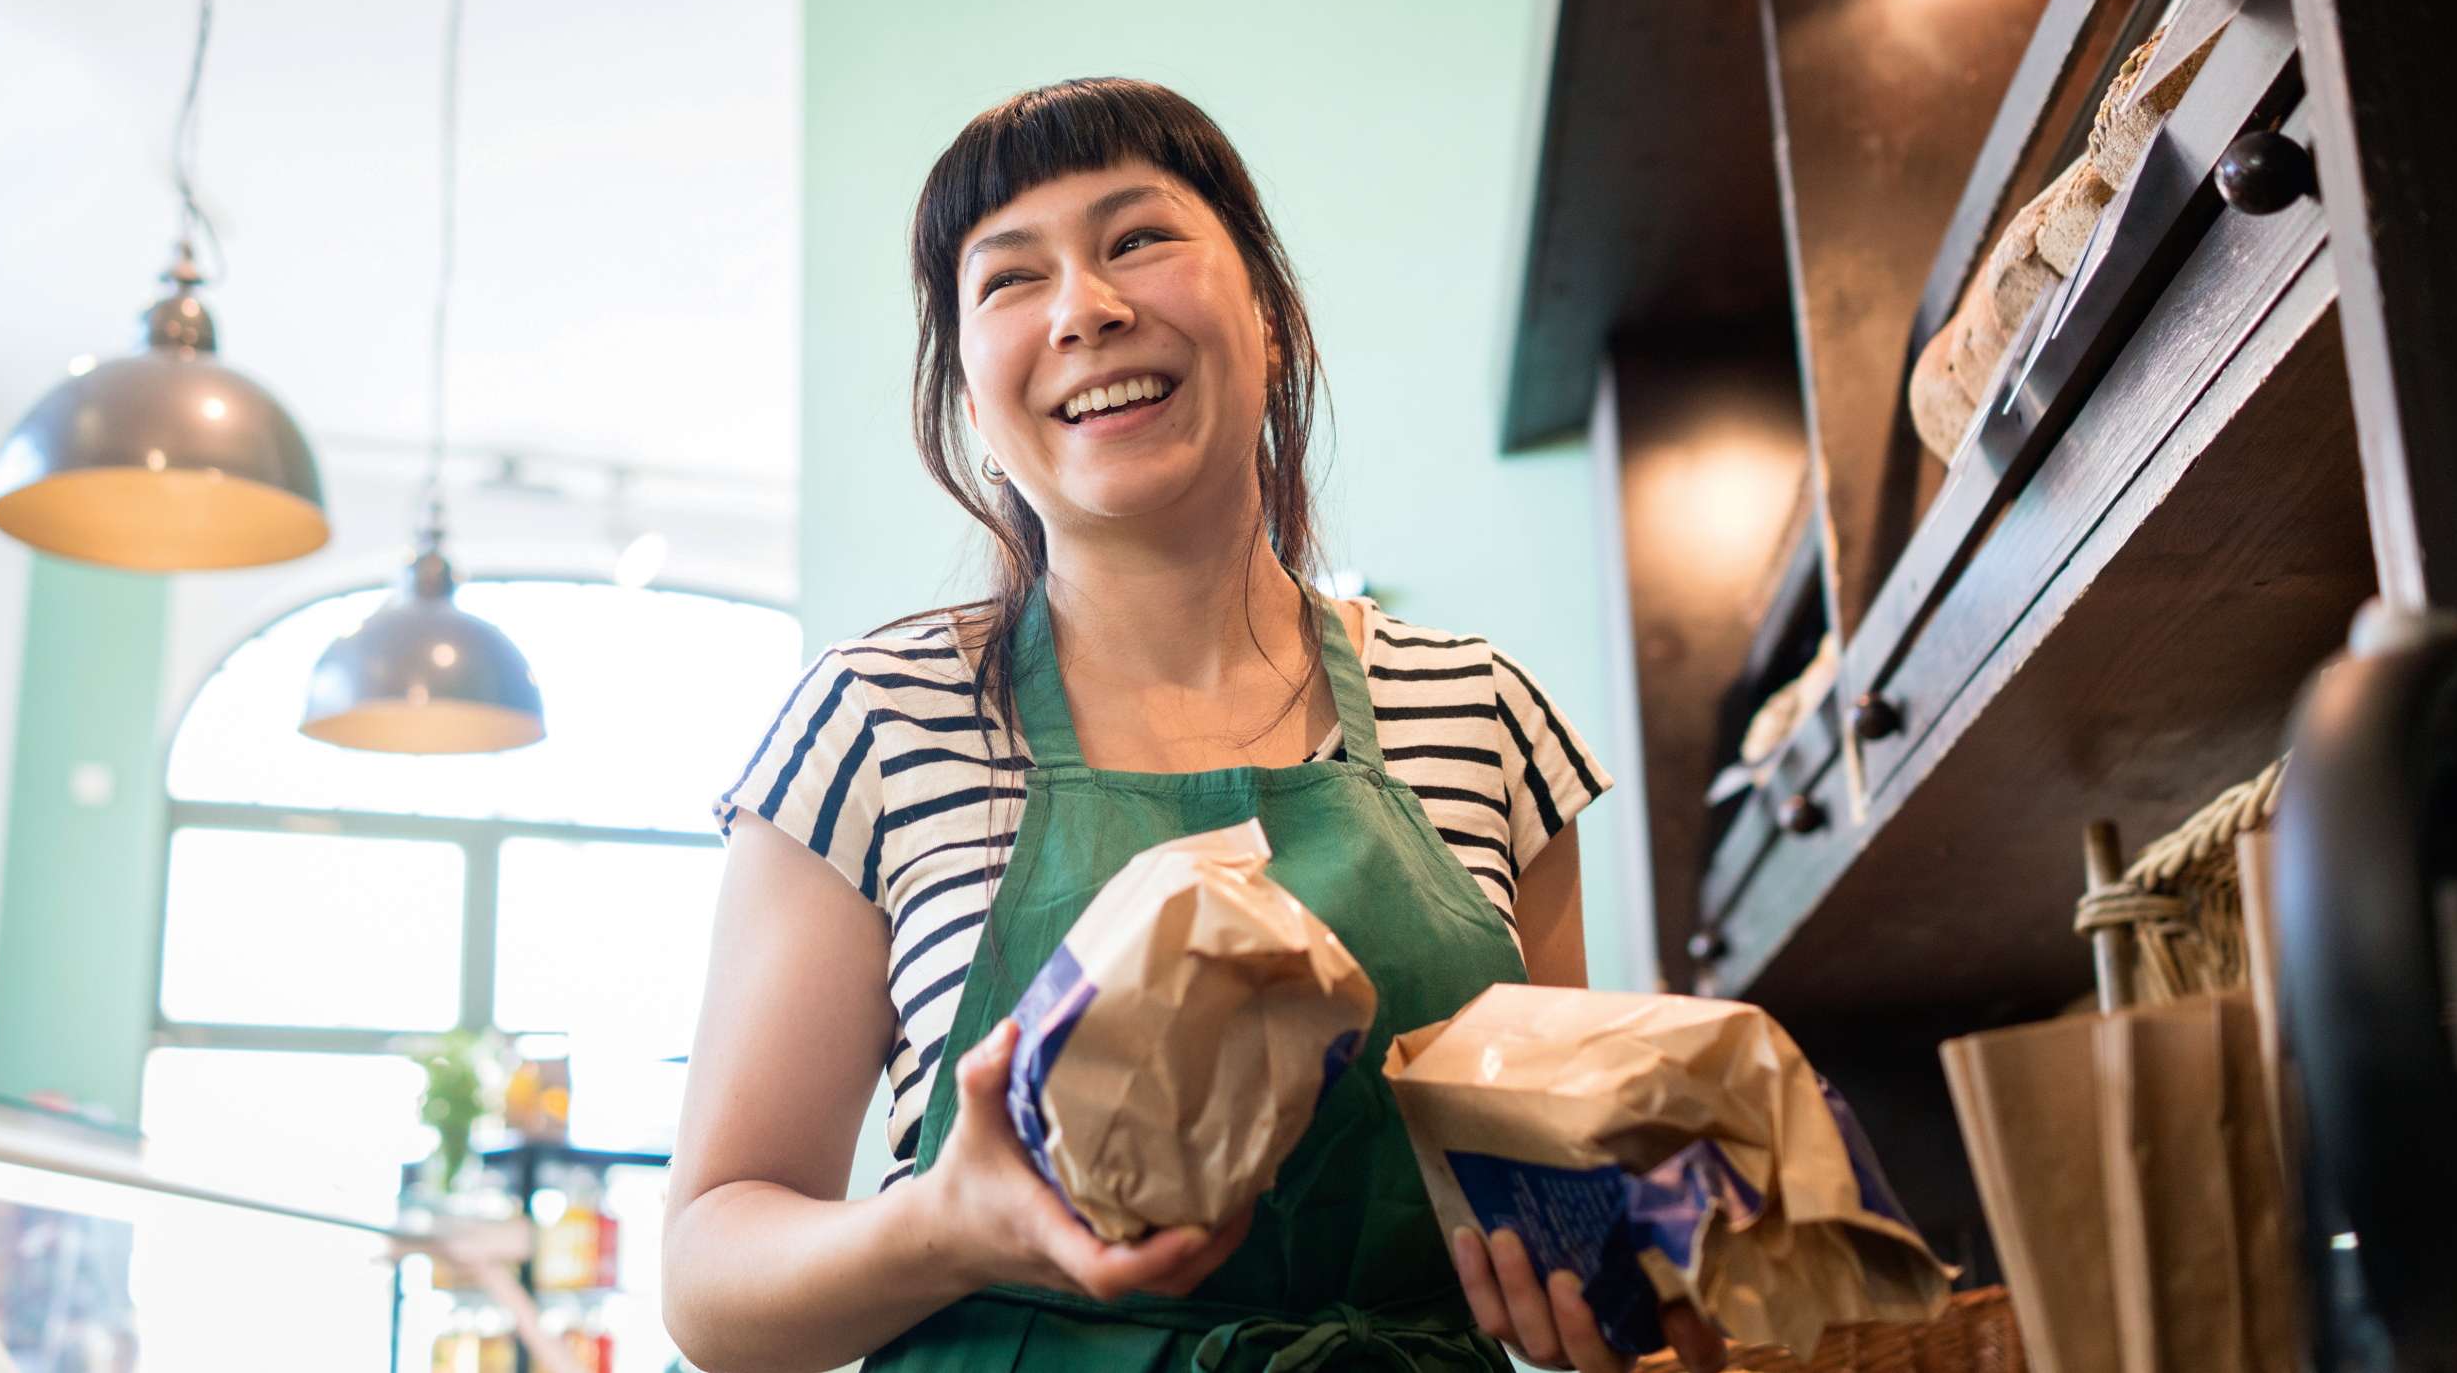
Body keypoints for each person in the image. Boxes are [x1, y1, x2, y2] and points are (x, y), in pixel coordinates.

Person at [664, 79, 1729, 1373]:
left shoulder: (1483, 715)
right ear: (967, 397)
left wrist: (1612, 1284)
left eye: (1137, 239)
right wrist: (945, 1226)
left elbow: (1559, 1184)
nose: (1083, 308)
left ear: (1271, 317)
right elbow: (709, 1279)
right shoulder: (875, 721)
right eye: (1008, 278)